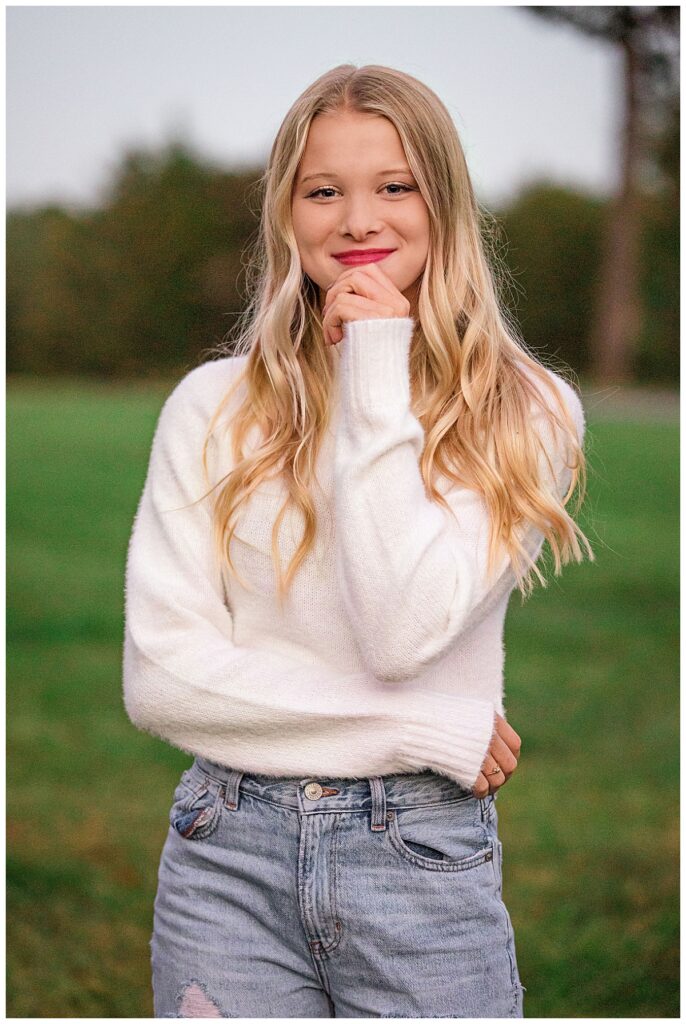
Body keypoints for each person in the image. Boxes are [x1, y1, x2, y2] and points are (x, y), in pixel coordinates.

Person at [123, 63, 593, 1019]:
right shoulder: (210, 407)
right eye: (323, 191)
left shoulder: (526, 411)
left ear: (444, 201)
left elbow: (401, 630)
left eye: (394, 186)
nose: (357, 221)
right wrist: (411, 729)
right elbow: (163, 677)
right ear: (286, 213)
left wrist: (375, 370)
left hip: (418, 857)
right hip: (226, 851)